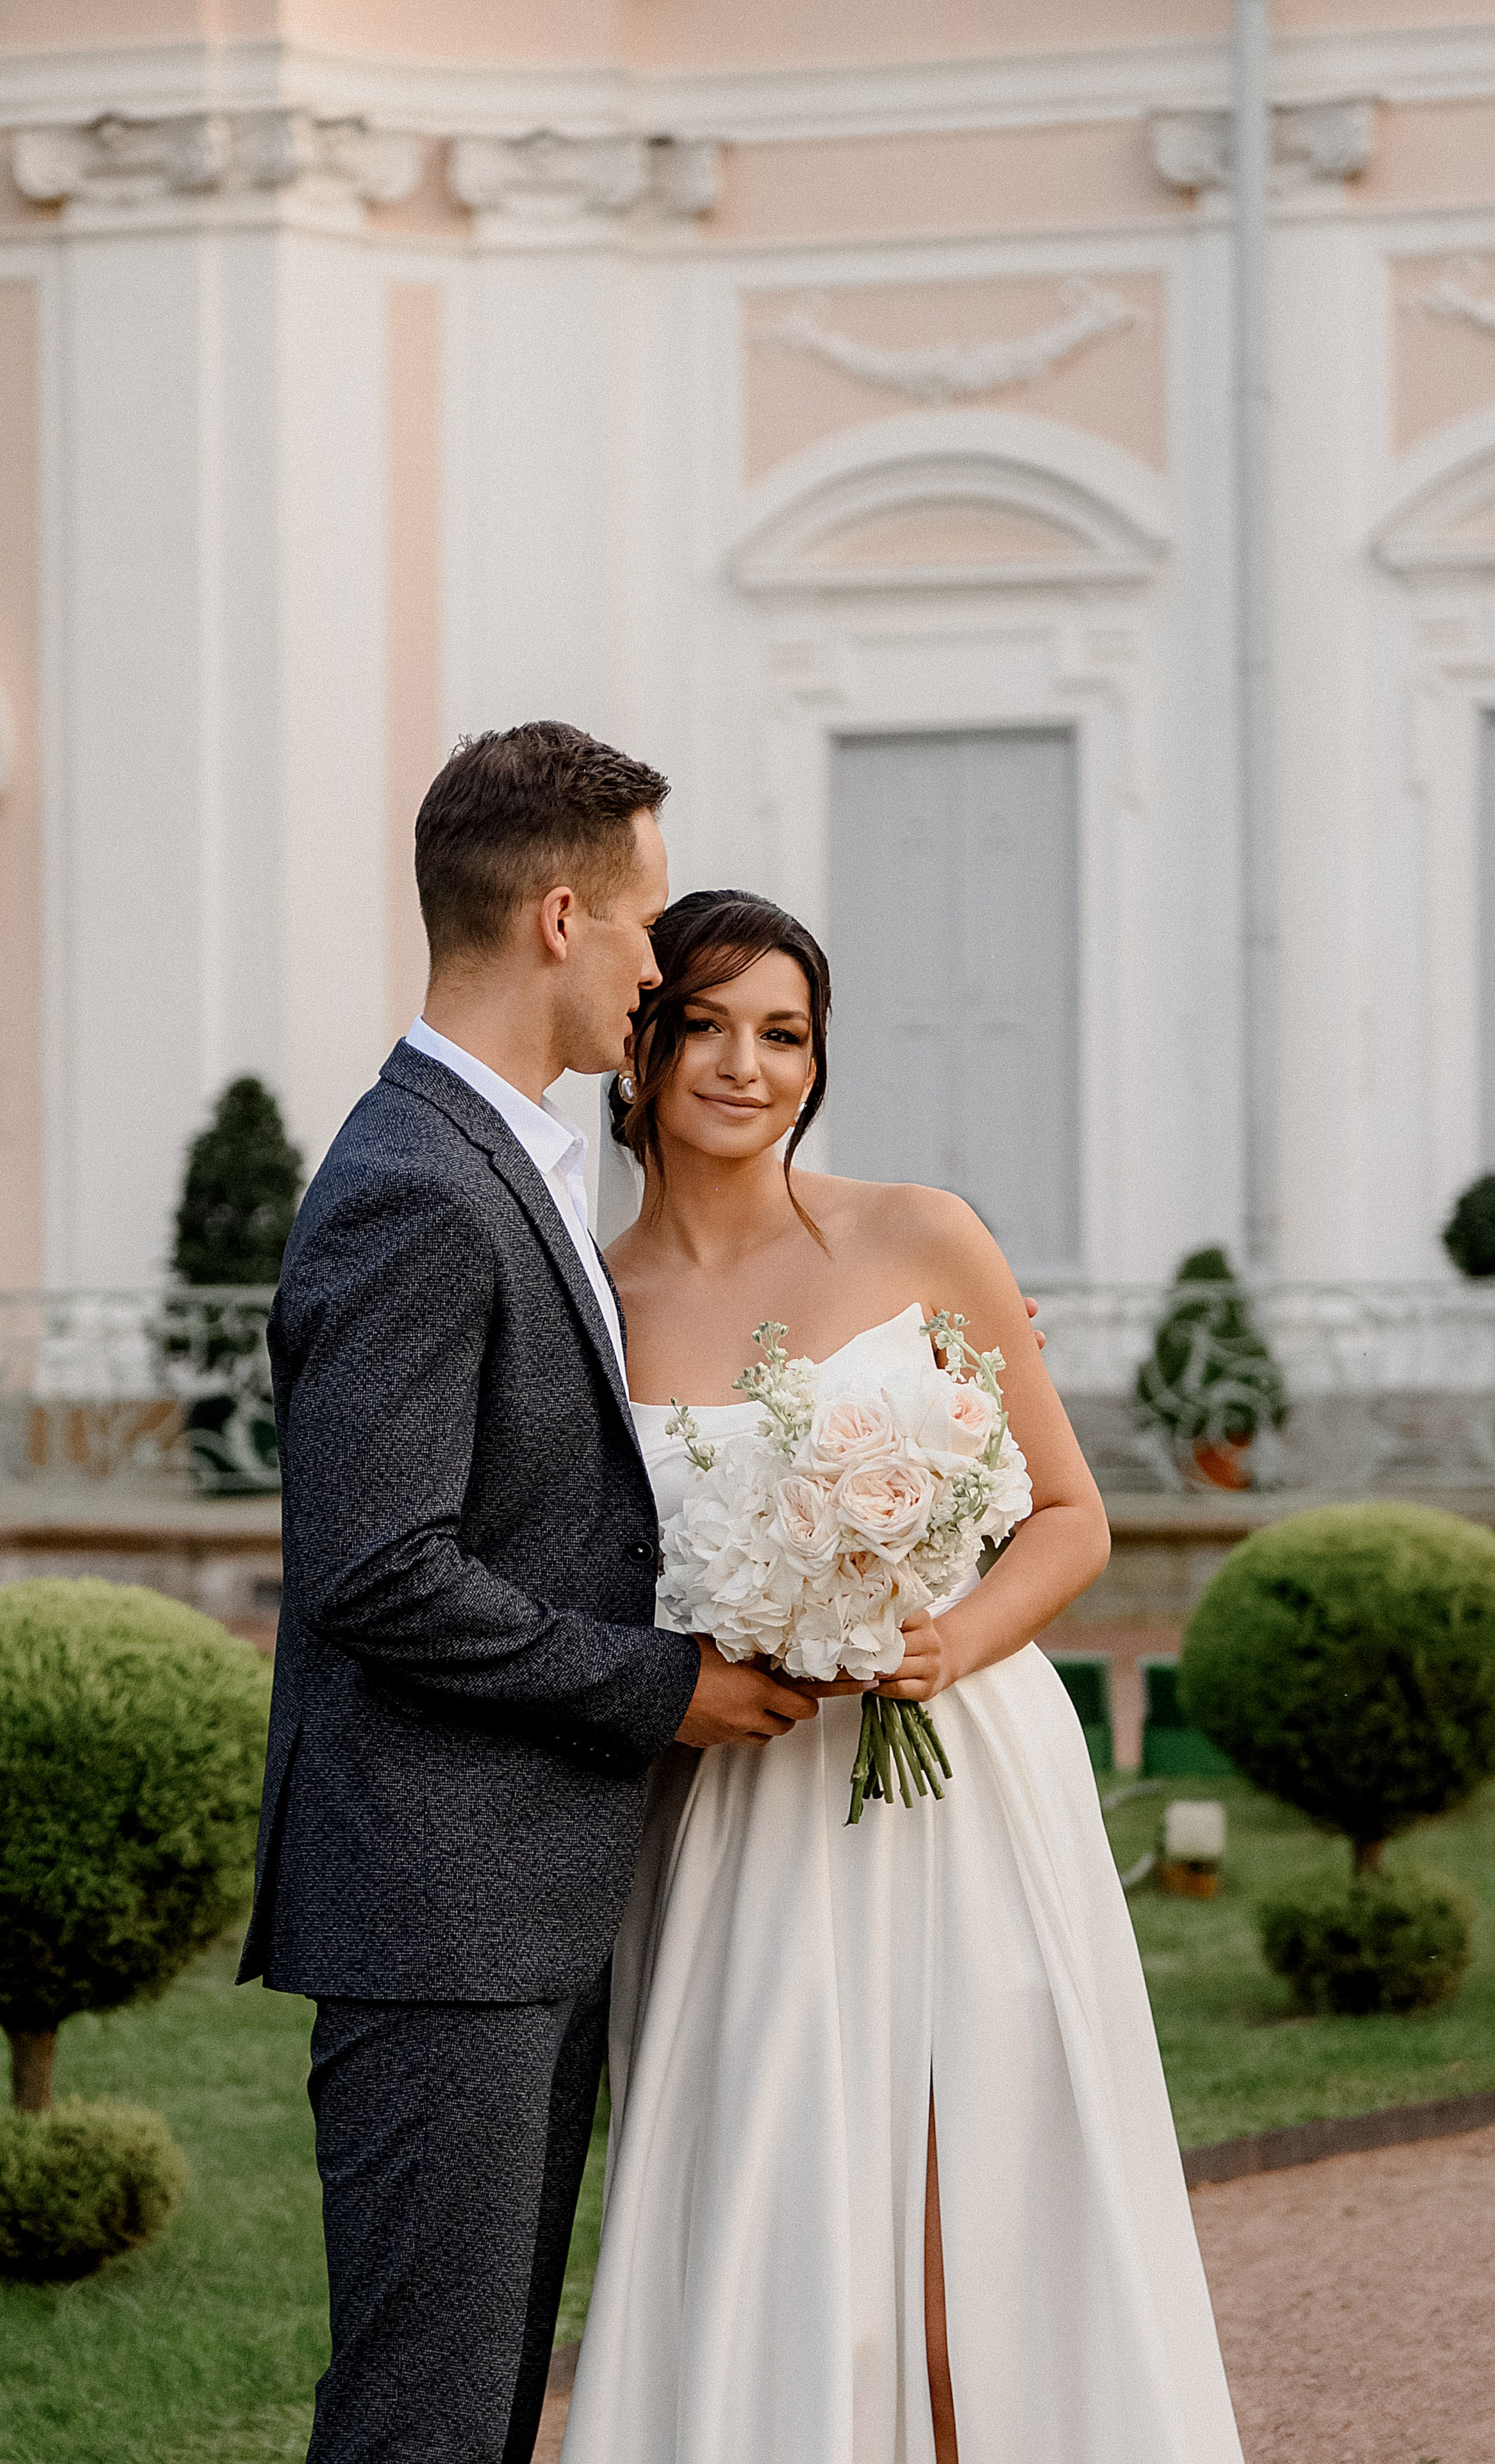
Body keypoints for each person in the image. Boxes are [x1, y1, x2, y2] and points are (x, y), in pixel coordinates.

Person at [560, 890, 1245, 2464]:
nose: (747, 1066)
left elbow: (1068, 1521)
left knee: (970, 2287)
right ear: (639, 1045)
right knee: (795, 2268)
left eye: (783, 1034)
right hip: (743, 1815)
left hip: (965, 1790)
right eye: (708, 1025)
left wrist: (947, 1640)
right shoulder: (588, 1307)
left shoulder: (923, 1234)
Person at [238, 731, 818, 2464]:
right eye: (646, 922)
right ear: (564, 916)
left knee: (480, 2404)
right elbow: (378, 1569)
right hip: (442, 1917)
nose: (660, 965)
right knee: (429, 2412)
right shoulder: (416, 1182)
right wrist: (668, 1686)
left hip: (512, 1903)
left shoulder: (505, 1153)